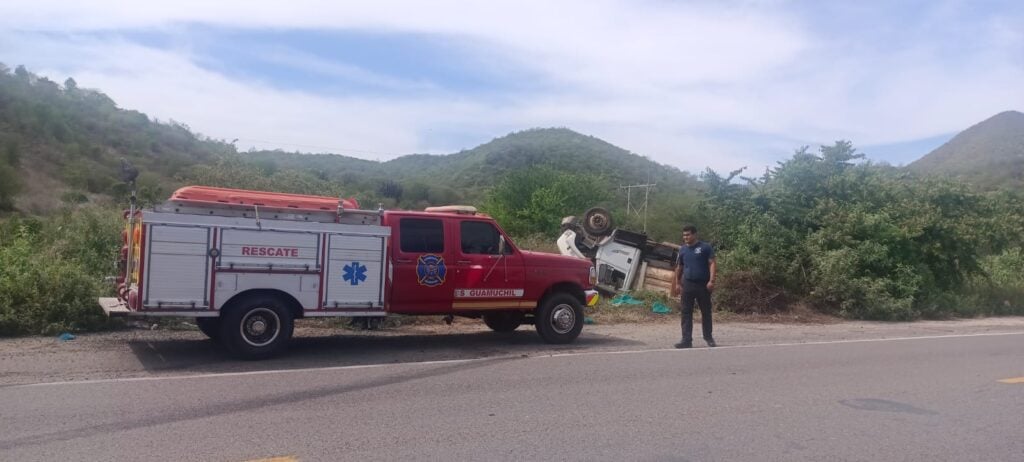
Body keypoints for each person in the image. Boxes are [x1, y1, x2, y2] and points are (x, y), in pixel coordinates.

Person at [670, 225, 717, 348]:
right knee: (686, 312)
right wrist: (678, 283)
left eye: (688, 234)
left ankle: (708, 337)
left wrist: (711, 280)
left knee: (706, 312)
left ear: (695, 235)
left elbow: (712, 264)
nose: (685, 237)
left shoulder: (705, 247)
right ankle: (686, 340)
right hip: (688, 285)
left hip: (703, 285)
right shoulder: (683, 250)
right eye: (684, 235)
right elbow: (679, 267)